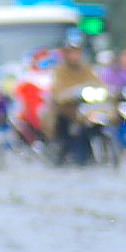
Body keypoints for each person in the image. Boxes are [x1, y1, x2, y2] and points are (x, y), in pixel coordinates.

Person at [44, 32, 104, 160]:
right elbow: (58, 93)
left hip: (85, 113)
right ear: (66, 53)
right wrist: (71, 94)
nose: (75, 55)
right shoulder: (60, 71)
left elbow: (98, 83)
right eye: (72, 52)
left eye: (77, 52)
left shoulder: (86, 69)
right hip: (65, 114)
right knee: (66, 139)